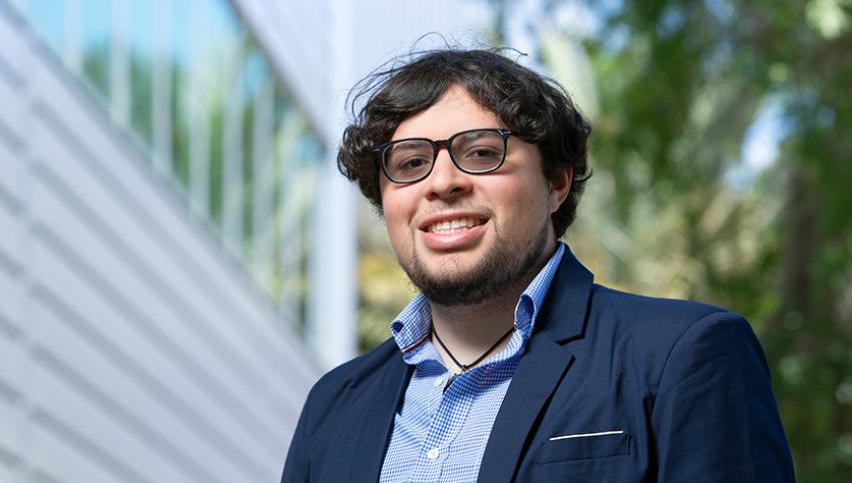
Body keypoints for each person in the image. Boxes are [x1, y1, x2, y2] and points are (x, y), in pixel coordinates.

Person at [281, 49, 794, 482]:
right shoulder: (334, 405)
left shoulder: (685, 355)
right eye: (411, 163)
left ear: (556, 183)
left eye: (481, 153)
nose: (441, 183)